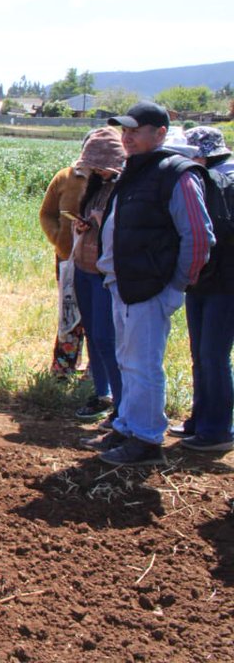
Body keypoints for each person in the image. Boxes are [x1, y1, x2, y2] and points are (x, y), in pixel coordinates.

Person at [82, 103, 213, 466]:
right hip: (124, 284)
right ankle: (128, 426)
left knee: (143, 364)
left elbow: (199, 238)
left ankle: (146, 439)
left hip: (151, 287)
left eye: (135, 131)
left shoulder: (176, 174)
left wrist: (175, 286)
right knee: (127, 360)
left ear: (159, 134)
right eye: (125, 131)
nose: (127, 137)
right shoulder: (134, 172)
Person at [173, 127, 234, 453]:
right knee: (201, 354)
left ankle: (218, 429)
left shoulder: (225, 179)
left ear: (202, 153)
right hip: (205, 279)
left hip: (225, 283)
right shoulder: (205, 176)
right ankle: (200, 421)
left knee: (213, 354)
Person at [69, 128, 126, 423]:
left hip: (107, 274)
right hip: (85, 268)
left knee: (107, 337)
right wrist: (82, 226)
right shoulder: (94, 186)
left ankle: (121, 404)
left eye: (101, 166)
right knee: (93, 334)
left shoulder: (125, 187)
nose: (97, 171)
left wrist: (103, 224)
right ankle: (101, 393)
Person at [39, 160, 89, 378]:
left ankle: (97, 371)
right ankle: (63, 368)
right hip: (67, 258)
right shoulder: (65, 177)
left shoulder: (116, 180)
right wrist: (58, 238)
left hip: (102, 262)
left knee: (98, 317)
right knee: (69, 312)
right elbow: (46, 213)